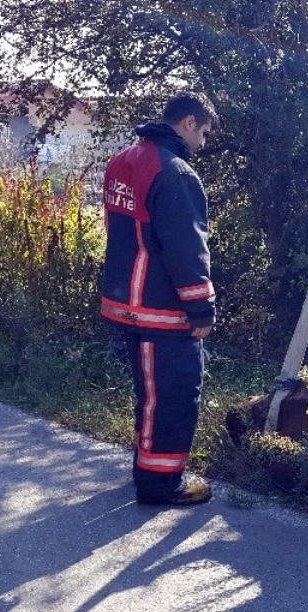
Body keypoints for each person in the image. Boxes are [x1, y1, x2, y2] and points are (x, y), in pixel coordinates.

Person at [100, 92, 219, 506]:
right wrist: (200, 306)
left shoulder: (125, 159)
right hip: (160, 306)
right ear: (188, 122)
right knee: (174, 395)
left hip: (125, 301)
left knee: (149, 392)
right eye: (202, 132)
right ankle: (160, 483)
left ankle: (145, 466)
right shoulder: (177, 173)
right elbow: (186, 248)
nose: (202, 142)